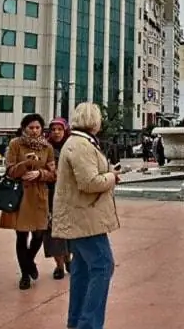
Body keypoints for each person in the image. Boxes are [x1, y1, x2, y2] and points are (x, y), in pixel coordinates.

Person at [53, 102, 121, 329]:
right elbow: (89, 182)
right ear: (94, 121)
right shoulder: (81, 146)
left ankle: (76, 321)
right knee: (103, 266)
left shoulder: (78, 142)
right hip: (85, 218)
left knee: (82, 270)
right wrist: (111, 176)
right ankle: (89, 324)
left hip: (81, 216)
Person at [0, 114, 56, 290]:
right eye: (31, 127)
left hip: (40, 194)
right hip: (21, 195)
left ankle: (29, 261)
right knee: (22, 235)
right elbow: (9, 170)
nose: (34, 131)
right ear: (24, 128)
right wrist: (25, 164)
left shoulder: (47, 147)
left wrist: (40, 174)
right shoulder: (15, 144)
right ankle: (25, 274)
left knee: (39, 233)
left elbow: (53, 174)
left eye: (38, 127)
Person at [43, 118, 72, 280]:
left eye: (59, 129)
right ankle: (59, 265)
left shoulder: (72, 147)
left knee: (69, 229)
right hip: (50, 193)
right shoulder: (45, 148)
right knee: (52, 231)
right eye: (53, 129)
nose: (56, 132)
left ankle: (68, 259)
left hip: (68, 194)